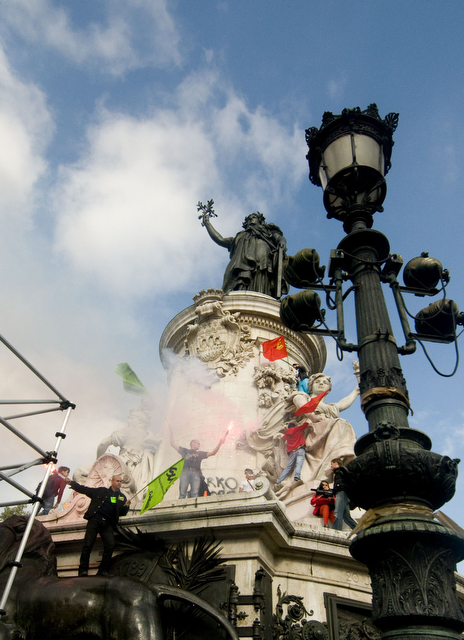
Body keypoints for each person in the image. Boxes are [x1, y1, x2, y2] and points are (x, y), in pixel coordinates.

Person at [284, 371, 359, 482]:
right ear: (310, 387)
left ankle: (337, 464)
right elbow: (299, 402)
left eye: (324, 382)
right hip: (310, 433)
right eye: (317, 382)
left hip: (328, 434)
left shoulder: (331, 407)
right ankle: (334, 465)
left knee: (342, 425)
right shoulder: (304, 397)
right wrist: (314, 417)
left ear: (328, 389)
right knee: (340, 424)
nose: (321, 383)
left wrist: (357, 389)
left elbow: (344, 402)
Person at [200, 209, 288, 298]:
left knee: (262, 290)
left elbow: (279, 238)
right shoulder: (239, 237)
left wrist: (282, 242)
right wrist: (207, 223)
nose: (250, 220)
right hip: (241, 268)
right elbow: (220, 239)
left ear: (260, 220)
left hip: (263, 266)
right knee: (241, 286)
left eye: (253, 217)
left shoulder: (268, 232)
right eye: (248, 219)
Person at [67, 474, 131, 577]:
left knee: (110, 544)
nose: (119, 483)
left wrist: (126, 506)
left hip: (108, 523)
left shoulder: (122, 497)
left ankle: (102, 570)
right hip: (95, 520)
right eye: (117, 481)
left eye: (121, 482)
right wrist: (71, 483)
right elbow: (84, 490)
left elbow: (122, 513)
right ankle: (83, 570)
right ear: (112, 481)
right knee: (88, 544)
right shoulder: (101, 491)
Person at [96, 409, 161, 495]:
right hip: (138, 470)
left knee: (79, 473)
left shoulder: (129, 430)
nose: (129, 420)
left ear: (140, 422)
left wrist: (98, 463)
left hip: (121, 463)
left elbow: (103, 443)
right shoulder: (150, 436)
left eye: (132, 418)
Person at [170, 432, 227, 499]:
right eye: (198, 443)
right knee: (182, 492)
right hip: (185, 471)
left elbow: (213, 453)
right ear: (192, 443)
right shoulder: (185, 451)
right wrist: (171, 433)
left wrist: (219, 444)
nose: (199, 445)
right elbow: (173, 444)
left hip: (196, 473)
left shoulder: (200, 453)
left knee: (195, 493)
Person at [274, 421, 309, 487]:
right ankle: (296, 476)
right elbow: (306, 424)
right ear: (294, 426)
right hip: (300, 449)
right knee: (299, 464)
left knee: (288, 467)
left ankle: (279, 480)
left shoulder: (286, 434)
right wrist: (304, 422)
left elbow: (283, 438)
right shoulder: (298, 429)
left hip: (292, 452)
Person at [330, 458, 357, 531]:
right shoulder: (342, 471)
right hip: (345, 494)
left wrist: (336, 490)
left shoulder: (340, 471)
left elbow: (341, 485)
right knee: (347, 517)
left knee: (338, 513)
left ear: (336, 463)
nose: (331, 466)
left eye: (331, 464)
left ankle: (336, 531)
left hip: (341, 494)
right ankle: (360, 530)